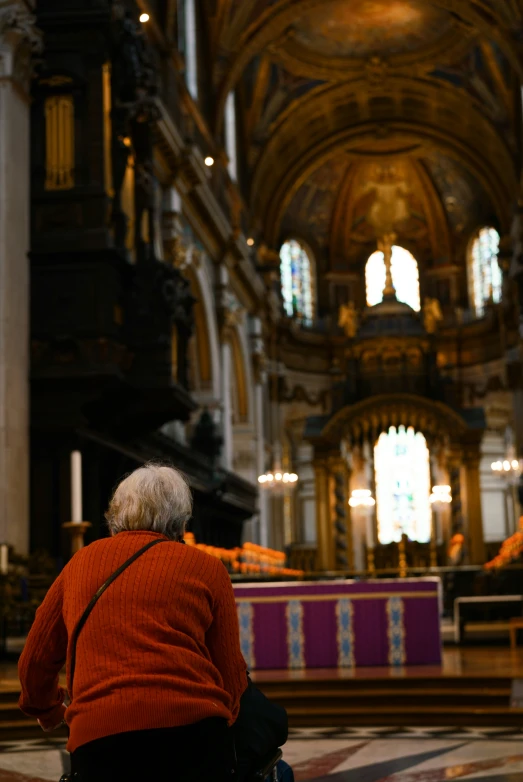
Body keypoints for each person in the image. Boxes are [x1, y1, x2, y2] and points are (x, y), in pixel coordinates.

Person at [18, 463, 293, 781]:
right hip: (193, 737)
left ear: (116, 513)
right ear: (182, 521)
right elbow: (231, 677)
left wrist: (48, 709)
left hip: (100, 744)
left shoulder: (80, 563)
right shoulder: (206, 568)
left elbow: (34, 663)